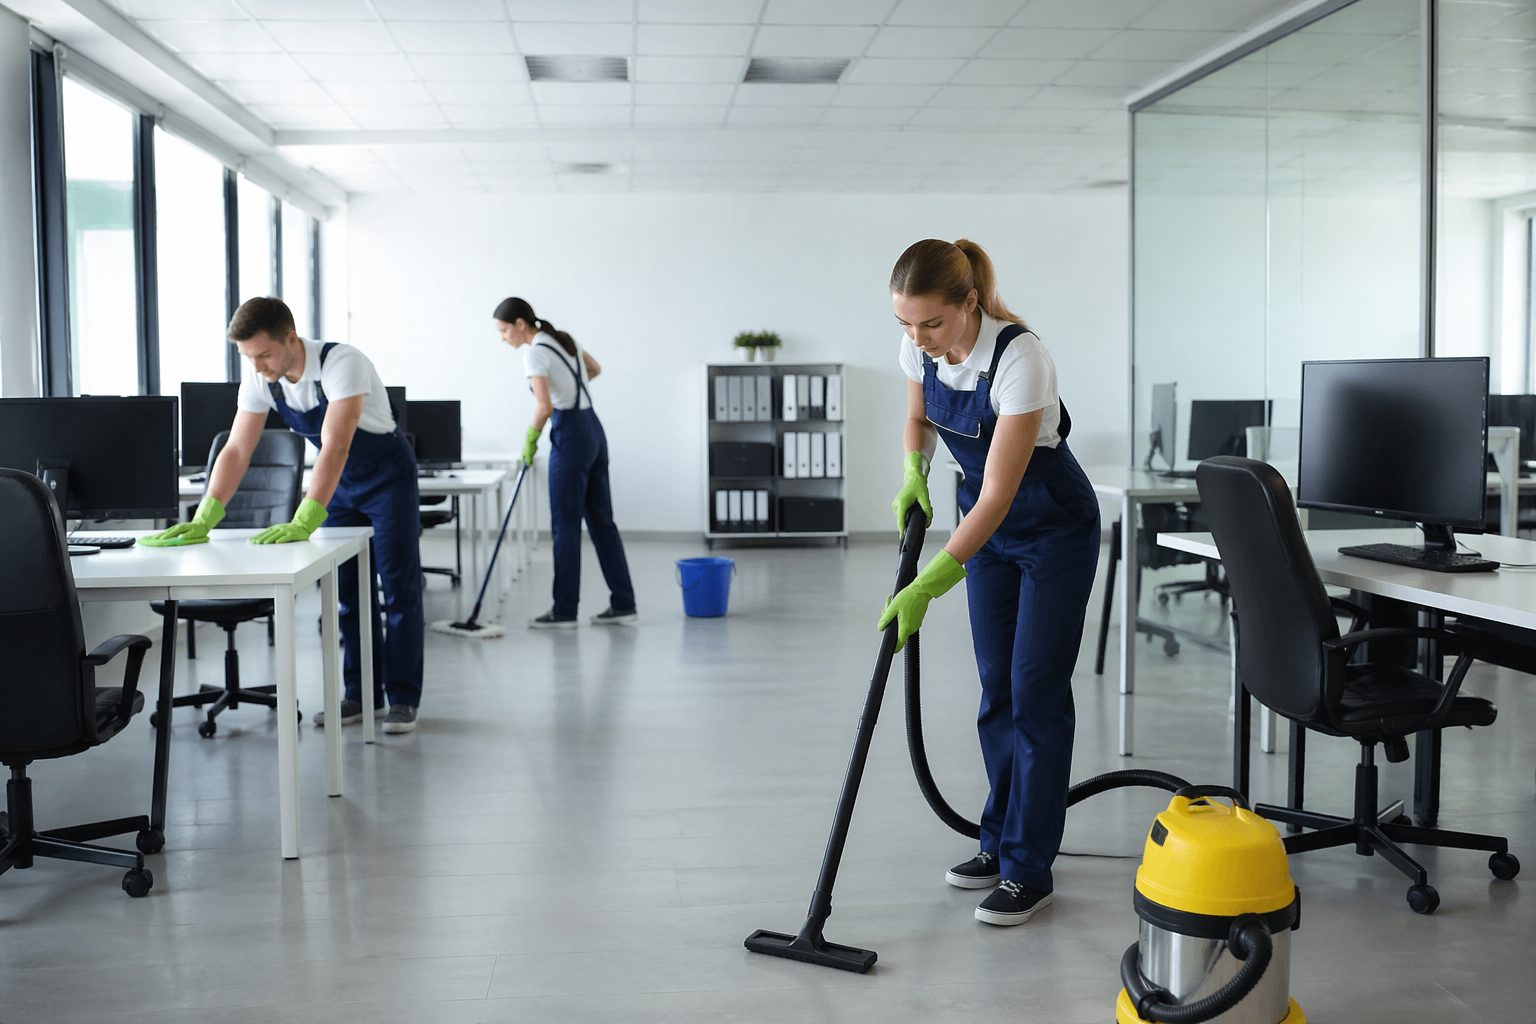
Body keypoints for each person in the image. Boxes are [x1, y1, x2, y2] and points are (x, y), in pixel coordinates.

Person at [880, 239, 1100, 926]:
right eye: (906, 326)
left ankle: (1029, 869)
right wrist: (914, 468)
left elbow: (1000, 491)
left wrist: (934, 580)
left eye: (933, 325)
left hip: (1051, 528)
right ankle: (998, 842)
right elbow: (919, 416)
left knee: (1035, 692)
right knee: (995, 685)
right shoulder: (919, 348)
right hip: (991, 529)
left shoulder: (1020, 359)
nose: (919, 341)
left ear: (969, 304)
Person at [141, 297, 424, 734]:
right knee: (347, 592)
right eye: (248, 357)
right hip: (340, 486)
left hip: (388, 478)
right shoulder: (261, 379)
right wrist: (206, 516)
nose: (257, 366)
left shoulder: (342, 363)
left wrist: (306, 515)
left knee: (398, 587)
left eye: (264, 354)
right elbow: (236, 449)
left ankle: (403, 697)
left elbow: (336, 444)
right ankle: (360, 695)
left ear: (290, 338)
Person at [493, 297, 637, 628]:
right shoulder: (564, 340)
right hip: (594, 430)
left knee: (565, 524)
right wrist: (570, 389)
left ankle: (564, 610)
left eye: (503, 331)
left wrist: (530, 440)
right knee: (603, 522)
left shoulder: (533, 353)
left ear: (519, 324)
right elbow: (595, 369)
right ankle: (624, 603)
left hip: (571, 435)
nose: (503, 338)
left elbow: (543, 407)